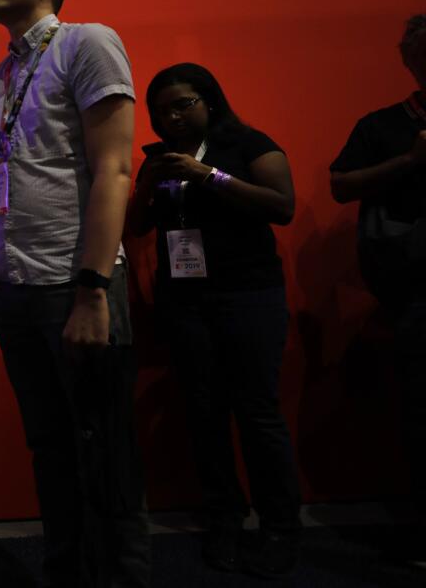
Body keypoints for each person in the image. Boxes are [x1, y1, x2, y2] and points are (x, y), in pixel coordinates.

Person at [0, 0, 149, 587]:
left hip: (74, 282)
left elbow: (114, 167)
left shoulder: (86, 42)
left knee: (106, 453)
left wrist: (93, 288)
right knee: (48, 448)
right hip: (15, 286)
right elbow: (3, 170)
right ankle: (66, 573)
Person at [126, 63, 300, 577]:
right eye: (161, 111)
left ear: (210, 101)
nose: (172, 117)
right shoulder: (159, 160)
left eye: (183, 104)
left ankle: (280, 527)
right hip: (186, 302)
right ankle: (224, 516)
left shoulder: (247, 143)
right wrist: (149, 185)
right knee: (203, 414)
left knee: (257, 413)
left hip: (249, 296)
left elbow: (282, 206)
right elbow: (135, 226)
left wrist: (210, 176)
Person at [330, 14, 426, 563]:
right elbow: (340, 185)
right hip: (415, 291)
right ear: (410, 61)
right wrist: (410, 162)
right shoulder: (384, 125)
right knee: (419, 412)